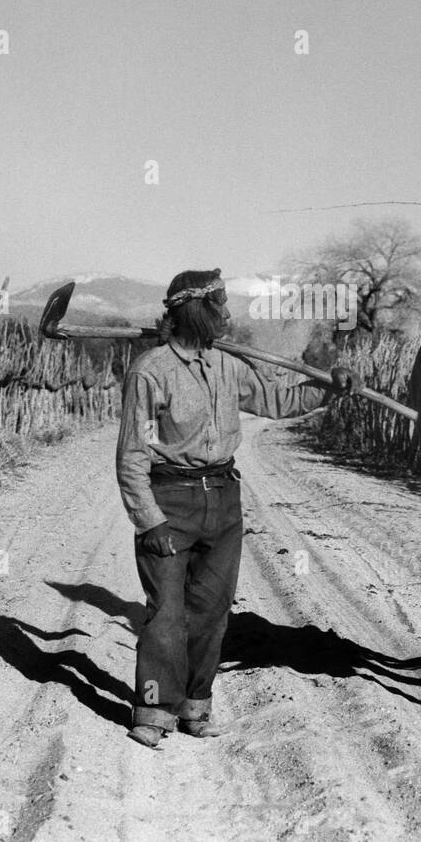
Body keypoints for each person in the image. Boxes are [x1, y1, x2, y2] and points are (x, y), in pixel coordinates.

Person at [116, 269, 360, 749]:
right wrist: (150, 520)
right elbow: (132, 455)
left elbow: (277, 399)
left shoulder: (227, 364)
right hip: (171, 499)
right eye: (220, 306)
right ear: (195, 311)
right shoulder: (151, 371)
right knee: (166, 612)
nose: (228, 314)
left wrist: (330, 387)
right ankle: (152, 709)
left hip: (224, 499)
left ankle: (195, 706)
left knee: (211, 612)